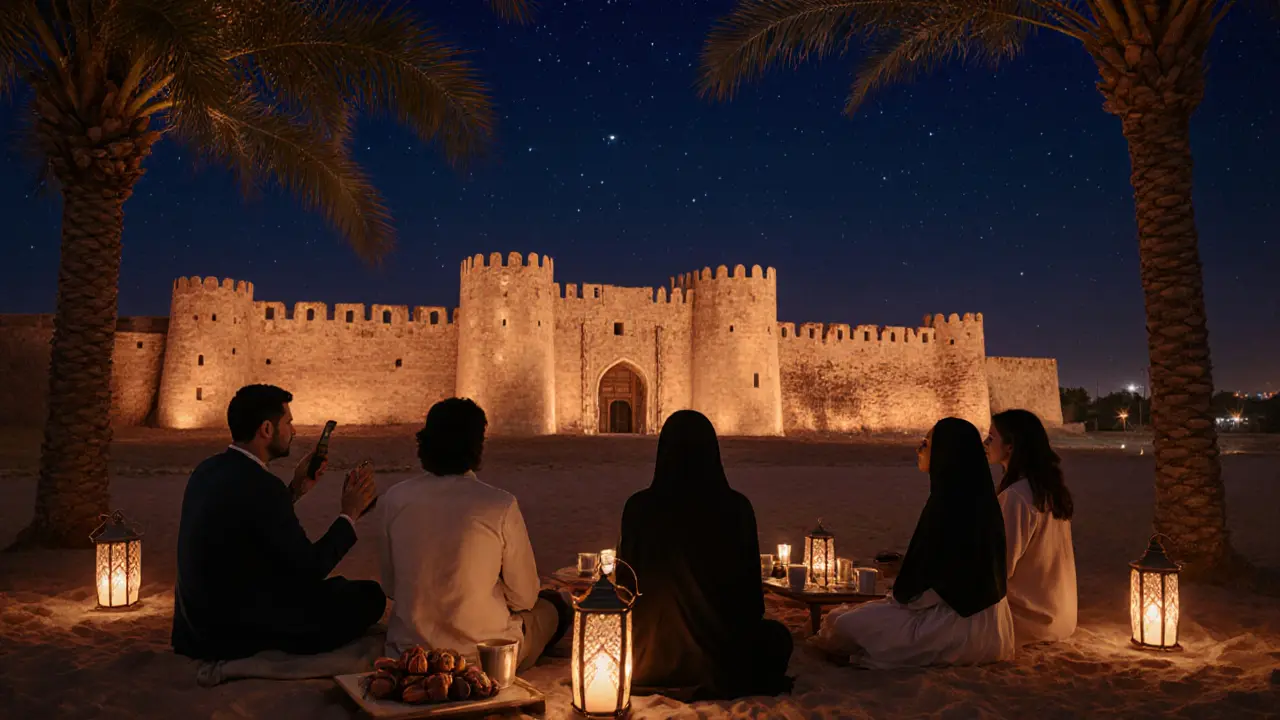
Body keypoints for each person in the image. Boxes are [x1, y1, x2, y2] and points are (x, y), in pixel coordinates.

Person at [172, 384, 385, 660]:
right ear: (266, 429)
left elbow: (252, 523)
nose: (293, 431)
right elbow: (311, 568)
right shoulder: (263, 486)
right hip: (233, 633)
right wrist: (350, 513)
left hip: (194, 629)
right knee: (369, 596)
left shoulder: (207, 469)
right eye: (288, 422)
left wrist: (295, 489)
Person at [378, 398, 570, 670]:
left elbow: (391, 587)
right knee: (556, 606)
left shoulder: (394, 499)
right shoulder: (499, 504)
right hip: (486, 657)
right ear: (477, 445)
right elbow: (524, 598)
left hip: (411, 654)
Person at [617, 410, 793, 701]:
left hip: (648, 659)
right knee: (777, 638)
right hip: (720, 661)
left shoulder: (638, 508)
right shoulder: (736, 509)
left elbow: (624, 588)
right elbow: (752, 603)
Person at [815, 417, 1014, 669]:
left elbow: (932, 593)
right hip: (992, 626)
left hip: (956, 624)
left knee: (843, 623)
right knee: (848, 618)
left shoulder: (948, 505)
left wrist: (902, 590)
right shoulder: (978, 499)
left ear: (945, 452)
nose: (918, 449)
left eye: (926, 444)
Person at [986, 409, 1078, 645]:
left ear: (1010, 446)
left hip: (1029, 621)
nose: (985, 443)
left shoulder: (1016, 496)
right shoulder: (1048, 491)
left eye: (991, 437)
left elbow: (998, 570)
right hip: (1061, 619)